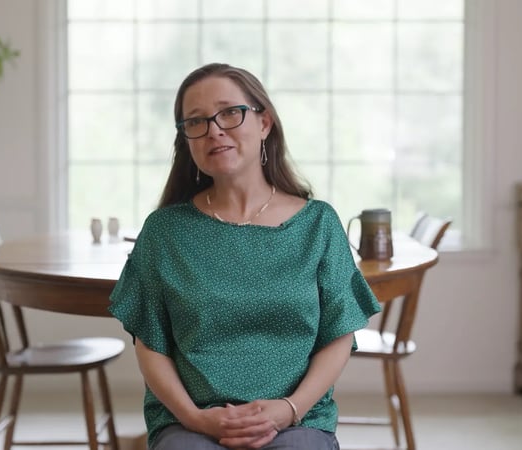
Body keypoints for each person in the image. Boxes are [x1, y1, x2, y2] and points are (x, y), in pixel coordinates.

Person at [109, 62, 381, 450]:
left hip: (297, 418)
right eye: (196, 121)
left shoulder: (318, 223)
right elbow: (150, 343)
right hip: (191, 420)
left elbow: (338, 334)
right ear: (186, 139)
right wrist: (195, 418)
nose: (214, 129)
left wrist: (289, 408)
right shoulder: (164, 231)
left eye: (230, 113)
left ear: (264, 123)